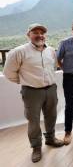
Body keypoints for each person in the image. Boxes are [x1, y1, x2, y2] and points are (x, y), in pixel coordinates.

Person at [3, 23, 64, 163]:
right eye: (35, 32)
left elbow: (53, 67)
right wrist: (24, 81)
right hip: (31, 92)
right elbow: (8, 73)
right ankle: (36, 147)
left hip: (50, 89)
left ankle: (50, 138)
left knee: (51, 116)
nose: (39, 35)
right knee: (34, 120)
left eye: (42, 32)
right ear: (28, 35)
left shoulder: (51, 51)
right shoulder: (19, 51)